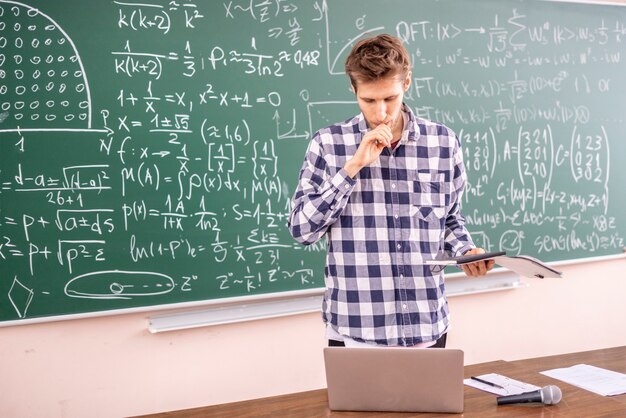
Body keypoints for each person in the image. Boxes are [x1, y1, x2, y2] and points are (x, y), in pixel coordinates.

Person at [288, 34, 493, 348]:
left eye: (390, 98)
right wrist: (351, 168)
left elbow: (449, 219)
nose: (380, 112)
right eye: (369, 100)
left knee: (432, 400)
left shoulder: (443, 142)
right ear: (353, 89)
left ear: (407, 83)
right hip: (356, 330)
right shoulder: (328, 144)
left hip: (427, 326)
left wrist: (466, 252)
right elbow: (302, 230)